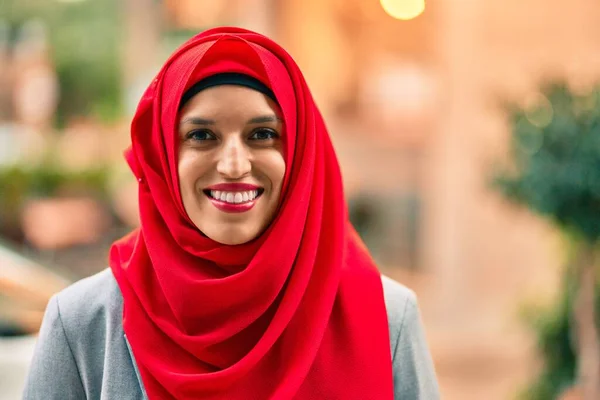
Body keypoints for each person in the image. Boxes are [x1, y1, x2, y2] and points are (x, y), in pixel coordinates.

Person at [23, 27, 439, 399]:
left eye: (262, 134)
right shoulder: (83, 324)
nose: (235, 164)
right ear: (164, 156)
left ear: (299, 153)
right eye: (202, 135)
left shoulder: (385, 319)